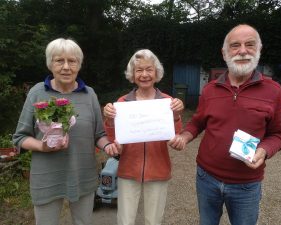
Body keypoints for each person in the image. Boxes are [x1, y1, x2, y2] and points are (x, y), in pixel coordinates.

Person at [169, 24, 281, 225]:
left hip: (247, 184)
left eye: (250, 44)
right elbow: (198, 122)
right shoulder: (209, 89)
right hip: (206, 177)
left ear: (259, 50)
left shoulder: (273, 90)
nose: (242, 50)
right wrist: (184, 136)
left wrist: (264, 150)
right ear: (224, 53)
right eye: (235, 46)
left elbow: (279, 133)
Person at [13, 38, 120, 225]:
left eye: (72, 61)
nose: (66, 67)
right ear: (50, 64)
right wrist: (42, 146)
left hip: (83, 175)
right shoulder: (37, 93)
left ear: (79, 65)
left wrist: (109, 146)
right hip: (46, 177)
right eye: (59, 60)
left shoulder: (90, 94)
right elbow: (20, 137)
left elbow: (99, 135)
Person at [103, 49, 184, 225]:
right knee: (125, 220)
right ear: (132, 74)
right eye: (139, 70)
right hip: (128, 170)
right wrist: (109, 119)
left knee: (154, 221)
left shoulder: (168, 102)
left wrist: (176, 116)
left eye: (149, 69)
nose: (144, 74)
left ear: (156, 73)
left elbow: (176, 138)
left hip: (158, 169)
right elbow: (113, 140)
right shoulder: (122, 102)